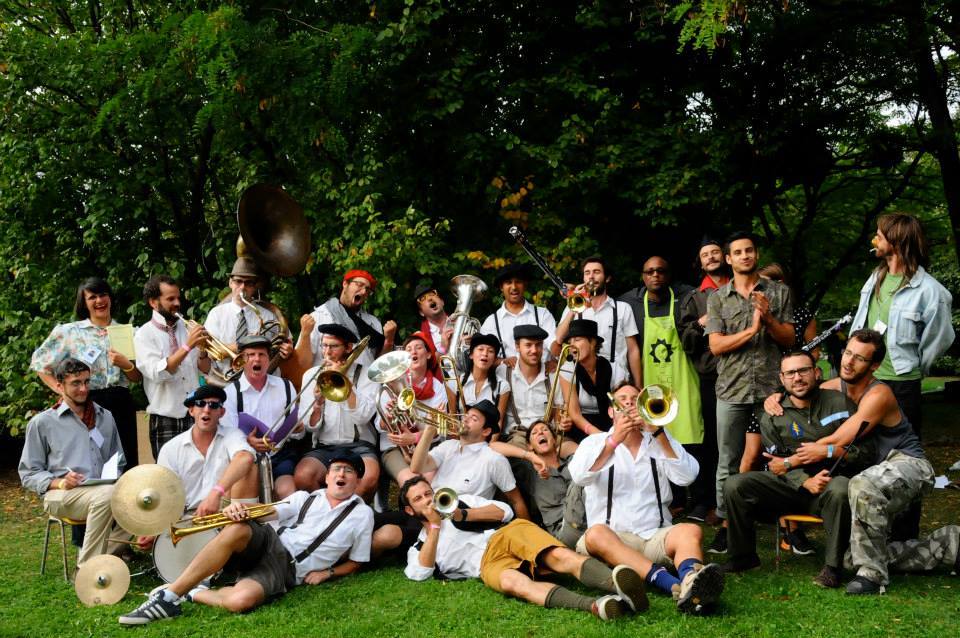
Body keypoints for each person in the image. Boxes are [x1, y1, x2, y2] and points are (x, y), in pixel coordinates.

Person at [118, 450, 373, 625]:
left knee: (241, 601)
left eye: (349, 471)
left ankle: (190, 593)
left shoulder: (363, 515)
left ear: (357, 480)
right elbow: (268, 513)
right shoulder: (304, 497)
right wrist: (238, 510)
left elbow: (357, 561)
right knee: (239, 527)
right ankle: (168, 597)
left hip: (285, 569)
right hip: (270, 542)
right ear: (327, 477)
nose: (341, 475)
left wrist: (328, 574)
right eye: (337, 469)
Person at [770, 329, 935, 594]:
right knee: (851, 558)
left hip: (908, 464)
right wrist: (776, 396)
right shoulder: (835, 386)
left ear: (875, 365)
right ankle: (949, 545)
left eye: (859, 358)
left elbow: (840, 438)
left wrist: (788, 462)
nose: (848, 362)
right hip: (874, 470)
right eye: (847, 353)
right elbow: (799, 390)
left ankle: (872, 576)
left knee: (860, 485)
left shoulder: (879, 394)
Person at [568, 381, 723, 615]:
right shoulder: (593, 442)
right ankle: (673, 585)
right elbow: (579, 476)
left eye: (635, 399)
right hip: (612, 539)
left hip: (654, 536)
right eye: (622, 400)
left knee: (690, 531)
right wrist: (614, 441)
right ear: (611, 411)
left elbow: (688, 476)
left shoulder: (661, 440)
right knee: (595, 534)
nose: (629, 403)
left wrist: (658, 432)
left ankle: (692, 579)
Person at [399, 476, 648, 620]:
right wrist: (434, 528)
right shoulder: (419, 546)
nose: (428, 500)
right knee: (512, 583)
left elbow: (504, 511)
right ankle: (595, 606)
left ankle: (618, 584)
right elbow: (420, 573)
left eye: (428, 493)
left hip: (504, 535)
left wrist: (463, 514)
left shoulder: (460, 501)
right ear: (410, 510)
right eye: (418, 499)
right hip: (487, 566)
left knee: (556, 556)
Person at [720, 351, 869, 588]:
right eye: (790, 373)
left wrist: (829, 453)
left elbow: (862, 452)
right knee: (735, 484)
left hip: (829, 486)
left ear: (816, 372)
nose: (797, 378)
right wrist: (803, 481)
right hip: (787, 489)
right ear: (782, 378)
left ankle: (832, 568)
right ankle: (743, 556)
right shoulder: (772, 416)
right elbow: (775, 462)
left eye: (803, 371)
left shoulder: (840, 403)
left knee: (841, 487)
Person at [704, 231, 794, 553]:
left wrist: (767, 318)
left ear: (756, 255)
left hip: (771, 391)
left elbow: (788, 340)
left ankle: (790, 528)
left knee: (781, 457)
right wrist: (752, 330)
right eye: (738, 252)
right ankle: (727, 527)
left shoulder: (779, 292)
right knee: (727, 461)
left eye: (749, 251)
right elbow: (716, 346)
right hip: (730, 390)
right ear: (728, 259)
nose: (744, 256)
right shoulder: (717, 298)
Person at [850, 213, 954, 441]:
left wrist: (914, 367)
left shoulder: (931, 291)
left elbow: (940, 338)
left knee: (903, 447)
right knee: (863, 444)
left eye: (878, 237)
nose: (873, 241)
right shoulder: (875, 277)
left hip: (902, 386)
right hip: (867, 379)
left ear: (896, 242)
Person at [19, 358, 127, 567]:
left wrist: (116, 476)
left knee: (137, 497)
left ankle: (104, 559)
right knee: (108, 496)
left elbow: (118, 459)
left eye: (87, 382)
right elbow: (28, 474)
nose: (84, 389)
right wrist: (60, 482)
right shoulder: (42, 423)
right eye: (76, 383)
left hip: (103, 491)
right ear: (59, 386)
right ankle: (88, 569)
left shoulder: (106, 417)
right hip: (60, 495)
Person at [31, 277, 141, 467]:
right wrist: (62, 391)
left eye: (103, 295)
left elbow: (136, 378)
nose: (99, 301)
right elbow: (40, 364)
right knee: (90, 459)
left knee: (125, 460)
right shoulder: (70, 332)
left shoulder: (127, 332)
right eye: (92, 297)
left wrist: (126, 364)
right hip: (86, 401)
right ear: (85, 303)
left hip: (120, 401)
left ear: (111, 298)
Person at [620, 256, 704, 450]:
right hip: (650, 389)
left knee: (690, 446)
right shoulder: (631, 305)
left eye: (661, 271)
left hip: (684, 386)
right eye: (650, 272)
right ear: (643, 277)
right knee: (654, 445)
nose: (655, 275)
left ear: (669, 275)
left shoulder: (686, 300)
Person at [293, 324, 380, 501]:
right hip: (325, 447)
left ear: (348, 348)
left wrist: (345, 382)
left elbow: (363, 417)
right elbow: (310, 428)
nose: (327, 352)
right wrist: (318, 403)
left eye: (333, 346)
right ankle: (325, 513)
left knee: (369, 479)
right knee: (303, 476)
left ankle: (348, 518)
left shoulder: (367, 375)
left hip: (360, 446)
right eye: (324, 345)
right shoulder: (312, 375)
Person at [677, 237, 730, 522]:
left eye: (715, 252)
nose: (711, 257)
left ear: (725, 256)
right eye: (705, 254)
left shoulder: (743, 288)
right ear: (700, 262)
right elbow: (686, 342)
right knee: (711, 441)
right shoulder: (694, 298)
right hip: (713, 377)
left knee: (750, 440)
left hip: (747, 375)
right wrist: (703, 321)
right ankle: (707, 501)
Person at [410, 399, 530, 519]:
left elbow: (516, 501)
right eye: (466, 415)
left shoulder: (493, 459)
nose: (465, 419)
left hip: (464, 523)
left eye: (474, 419)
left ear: (486, 431)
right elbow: (416, 467)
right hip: (431, 514)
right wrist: (429, 430)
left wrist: (525, 532)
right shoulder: (448, 446)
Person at [134, 275, 211, 459]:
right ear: (154, 302)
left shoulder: (188, 329)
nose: (177, 303)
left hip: (195, 414)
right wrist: (188, 346)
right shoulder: (144, 335)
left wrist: (203, 351)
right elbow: (157, 372)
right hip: (165, 418)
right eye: (170, 299)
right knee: (169, 481)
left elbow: (205, 369)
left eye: (178, 298)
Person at [156, 385, 258, 516]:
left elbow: (245, 458)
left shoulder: (233, 435)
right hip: (187, 518)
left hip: (227, 516)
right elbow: (164, 494)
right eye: (200, 404)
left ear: (222, 412)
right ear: (191, 410)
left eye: (214, 405)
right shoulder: (170, 448)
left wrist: (215, 493)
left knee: (249, 467)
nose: (207, 409)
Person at [222, 335, 300, 498]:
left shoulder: (285, 386)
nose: (256, 359)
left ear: (268, 358)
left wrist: (298, 428)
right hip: (248, 458)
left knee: (288, 492)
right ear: (242, 360)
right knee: (249, 499)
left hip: (280, 454)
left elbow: (297, 431)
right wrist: (247, 442)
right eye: (250, 355)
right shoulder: (230, 393)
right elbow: (227, 434)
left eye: (262, 354)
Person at [375, 332, 452, 486]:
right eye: (408, 349)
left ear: (429, 354)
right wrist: (389, 418)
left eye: (418, 348)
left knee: (430, 482)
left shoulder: (439, 388)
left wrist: (415, 438)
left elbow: (440, 427)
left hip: (430, 445)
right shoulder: (391, 384)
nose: (413, 351)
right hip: (396, 448)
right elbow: (380, 426)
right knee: (412, 483)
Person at [491, 420, 582, 548]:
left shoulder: (573, 464)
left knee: (587, 474)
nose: (540, 432)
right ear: (530, 446)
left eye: (545, 430)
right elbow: (492, 447)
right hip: (563, 530)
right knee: (582, 481)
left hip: (586, 520)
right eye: (534, 433)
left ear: (555, 440)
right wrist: (530, 457)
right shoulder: (530, 470)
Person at [555, 256, 642, 385]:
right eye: (587, 273)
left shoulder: (623, 309)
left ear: (607, 278)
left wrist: (639, 384)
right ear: (583, 279)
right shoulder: (573, 306)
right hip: (581, 378)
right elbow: (559, 338)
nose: (591, 277)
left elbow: (633, 350)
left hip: (616, 380)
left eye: (596, 272)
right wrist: (574, 308)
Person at [203, 257, 290, 384]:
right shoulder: (216, 314)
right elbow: (211, 353)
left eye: (249, 283)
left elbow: (285, 343)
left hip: (264, 382)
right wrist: (243, 345)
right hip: (227, 383)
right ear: (230, 283)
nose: (242, 287)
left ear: (255, 286)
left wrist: (287, 350)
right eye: (238, 281)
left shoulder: (268, 316)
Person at [296, 268, 397, 371]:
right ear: (345, 284)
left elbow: (382, 368)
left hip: (364, 384)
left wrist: (389, 340)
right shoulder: (318, 317)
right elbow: (301, 364)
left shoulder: (373, 323)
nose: (363, 292)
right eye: (359, 285)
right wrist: (305, 334)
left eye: (367, 289)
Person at [500, 325, 570, 448]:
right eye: (528, 345)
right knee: (526, 464)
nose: (534, 350)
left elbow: (559, 410)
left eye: (538, 345)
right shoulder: (503, 372)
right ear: (517, 347)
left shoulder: (553, 374)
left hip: (548, 433)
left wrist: (562, 423)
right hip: (517, 435)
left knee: (575, 454)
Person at [560, 319, 627, 440]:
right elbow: (575, 414)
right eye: (570, 341)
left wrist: (614, 434)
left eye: (577, 339)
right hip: (581, 428)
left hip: (612, 423)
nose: (571, 345)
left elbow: (621, 407)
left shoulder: (614, 369)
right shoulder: (567, 370)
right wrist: (599, 436)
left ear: (592, 343)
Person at [480, 263, 557, 365]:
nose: (514, 287)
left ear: (525, 285)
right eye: (508, 282)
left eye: (518, 282)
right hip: (505, 378)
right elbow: (483, 357)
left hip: (542, 377)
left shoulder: (543, 314)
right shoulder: (491, 322)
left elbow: (554, 345)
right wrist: (503, 361)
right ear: (501, 287)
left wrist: (555, 361)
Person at [447, 333, 510, 427]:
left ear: (494, 359)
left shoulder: (502, 386)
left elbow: (498, 423)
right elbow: (452, 417)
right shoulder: (454, 382)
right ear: (471, 355)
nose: (485, 354)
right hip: (459, 437)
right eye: (480, 349)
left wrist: (490, 442)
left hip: (486, 439)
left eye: (490, 351)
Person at [413, 284, 452, 357]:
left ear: (442, 302)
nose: (429, 299)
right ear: (421, 312)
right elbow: (427, 364)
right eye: (422, 298)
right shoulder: (419, 338)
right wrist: (443, 348)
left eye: (432, 294)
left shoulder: (460, 322)